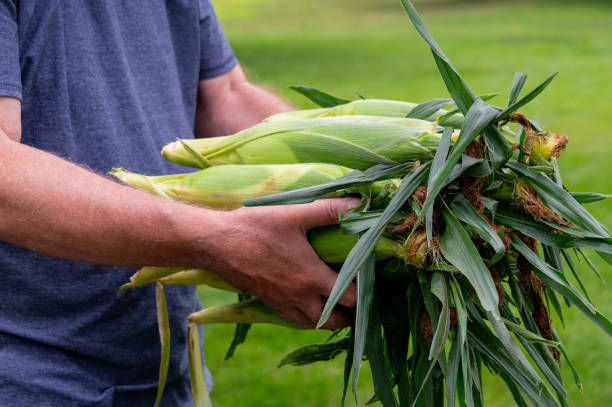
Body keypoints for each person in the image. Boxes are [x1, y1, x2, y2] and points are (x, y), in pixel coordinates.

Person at [0, 1, 357, 405]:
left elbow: (223, 96)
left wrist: (378, 182)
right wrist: (216, 239)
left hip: (167, 372)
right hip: (28, 378)